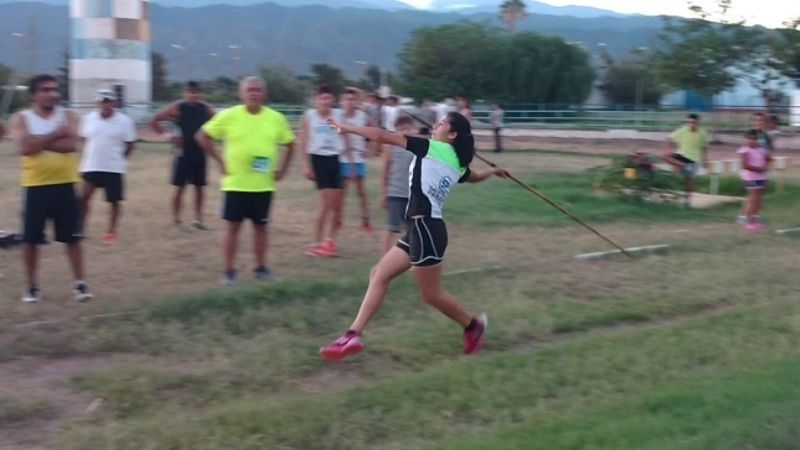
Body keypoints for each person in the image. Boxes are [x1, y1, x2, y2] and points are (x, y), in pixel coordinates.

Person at [319, 111, 508, 362]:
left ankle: (473, 325)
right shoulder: (456, 162)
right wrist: (493, 172)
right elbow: (471, 177)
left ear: (451, 135)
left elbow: (382, 136)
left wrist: (347, 128)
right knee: (379, 273)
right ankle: (353, 334)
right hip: (419, 228)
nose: (435, 125)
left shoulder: (430, 148)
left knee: (431, 295)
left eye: (441, 123)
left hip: (427, 229)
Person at [196, 76, 295, 285]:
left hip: (263, 185)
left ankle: (261, 268)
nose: (254, 93)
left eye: (258, 90)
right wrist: (219, 162)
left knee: (261, 228)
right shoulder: (229, 115)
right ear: (241, 94)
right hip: (236, 184)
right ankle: (229, 272)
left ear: (264, 94)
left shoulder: (276, 118)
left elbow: (290, 143)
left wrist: (283, 169)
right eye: (249, 90)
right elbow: (202, 137)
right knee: (233, 229)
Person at [10, 74, 92, 303]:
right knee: (30, 240)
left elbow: (71, 145)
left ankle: (80, 283)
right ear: (33, 94)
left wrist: (40, 141)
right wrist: (56, 133)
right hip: (35, 186)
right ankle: (32, 286)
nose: (52, 94)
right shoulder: (22, 118)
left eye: (55, 89)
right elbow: (25, 147)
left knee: (73, 239)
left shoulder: (69, 115)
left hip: (65, 186)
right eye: (46, 90)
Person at [150, 81, 216, 230]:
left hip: (199, 152)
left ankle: (198, 220)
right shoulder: (177, 108)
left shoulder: (205, 109)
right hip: (183, 152)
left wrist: (211, 135)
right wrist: (168, 136)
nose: (193, 95)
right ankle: (176, 221)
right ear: (185, 93)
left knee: (200, 188)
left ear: (200, 94)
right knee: (180, 187)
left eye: (196, 92)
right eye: (190, 92)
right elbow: (155, 120)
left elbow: (220, 122)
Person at [79, 90, 137, 244]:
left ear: (115, 103)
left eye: (108, 101)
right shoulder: (88, 119)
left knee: (114, 202)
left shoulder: (124, 121)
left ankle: (110, 232)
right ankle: (81, 230)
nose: (105, 105)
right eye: (102, 102)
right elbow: (83, 139)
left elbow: (130, 144)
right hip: (91, 166)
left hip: (113, 168)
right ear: (98, 103)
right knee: (83, 198)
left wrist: (120, 159)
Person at [302, 86, 347, 257]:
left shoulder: (338, 115)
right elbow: (303, 141)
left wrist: (350, 159)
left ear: (333, 100)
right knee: (325, 203)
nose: (325, 102)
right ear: (316, 100)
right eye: (322, 98)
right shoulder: (309, 116)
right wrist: (306, 165)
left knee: (336, 205)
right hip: (318, 158)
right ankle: (316, 242)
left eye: (328, 98)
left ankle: (329, 242)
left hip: (336, 158)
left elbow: (346, 135)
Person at [339, 88, 373, 235]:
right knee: (342, 193)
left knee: (361, 192)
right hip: (344, 159)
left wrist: (371, 148)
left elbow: (374, 129)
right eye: (346, 99)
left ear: (356, 101)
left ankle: (366, 222)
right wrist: (351, 165)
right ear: (342, 101)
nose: (349, 102)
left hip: (358, 159)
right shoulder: (339, 116)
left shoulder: (362, 116)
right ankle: (338, 221)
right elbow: (344, 141)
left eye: (352, 99)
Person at [380, 116, 415, 254]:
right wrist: (384, 193)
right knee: (391, 228)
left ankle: (412, 257)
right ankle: (385, 258)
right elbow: (385, 171)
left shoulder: (416, 146)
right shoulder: (390, 146)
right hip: (395, 193)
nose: (405, 131)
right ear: (395, 130)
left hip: (412, 194)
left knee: (412, 229)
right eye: (401, 129)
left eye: (408, 128)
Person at [662, 113, 710, 209]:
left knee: (688, 181)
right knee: (664, 156)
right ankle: (684, 166)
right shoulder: (682, 130)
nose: (691, 124)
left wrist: (705, 159)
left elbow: (705, 147)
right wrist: (669, 149)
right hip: (681, 155)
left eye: (694, 122)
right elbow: (668, 138)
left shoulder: (703, 133)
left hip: (693, 159)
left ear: (698, 123)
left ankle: (687, 202)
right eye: (689, 122)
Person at [738, 129, 771, 231]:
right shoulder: (745, 150)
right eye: (750, 139)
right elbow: (744, 165)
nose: (752, 141)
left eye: (755, 139)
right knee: (752, 200)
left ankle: (755, 218)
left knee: (758, 200)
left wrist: (765, 165)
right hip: (750, 177)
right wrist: (759, 169)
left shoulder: (761, 149)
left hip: (761, 177)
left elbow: (768, 158)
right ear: (745, 139)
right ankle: (749, 221)